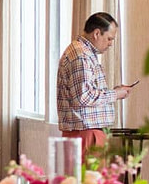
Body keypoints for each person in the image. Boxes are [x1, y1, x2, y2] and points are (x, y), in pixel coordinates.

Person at [56, 12, 131, 150]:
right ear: (97, 33)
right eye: (109, 38)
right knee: (89, 172)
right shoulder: (82, 55)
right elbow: (83, 97)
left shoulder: (81, 52)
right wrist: (115, 94)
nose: (110, 44)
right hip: (86, 134)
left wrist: (114, 92)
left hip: (84, 133)